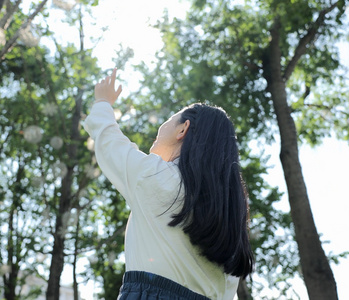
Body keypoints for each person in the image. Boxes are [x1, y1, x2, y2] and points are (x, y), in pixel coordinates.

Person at [83, 68, 254, 300]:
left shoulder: (156, 177)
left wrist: (103, 101)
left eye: (169, 119)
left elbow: (109, 141)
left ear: (183, 129)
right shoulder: (230, 216)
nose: (160, 128)